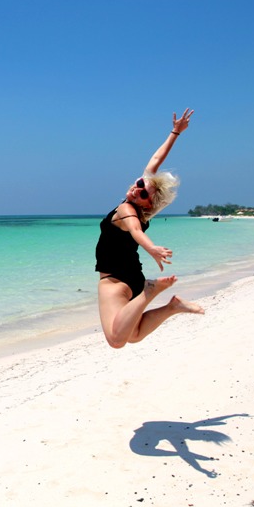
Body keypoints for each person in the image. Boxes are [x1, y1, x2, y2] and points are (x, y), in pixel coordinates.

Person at [95, 109, 204, 349]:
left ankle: (150, 292)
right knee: (133, 334)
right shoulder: (144, 211)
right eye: (139, 184)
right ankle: (172, 307)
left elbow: (135, 231)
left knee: (116, 340)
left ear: (148, 203)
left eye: (143, 193)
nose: (137, 189)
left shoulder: (126, 209)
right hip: (133, 277)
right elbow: (155, 161)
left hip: (115, 281)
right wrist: (175, 132)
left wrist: (152, 248)